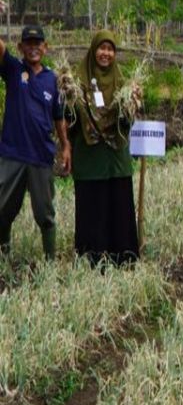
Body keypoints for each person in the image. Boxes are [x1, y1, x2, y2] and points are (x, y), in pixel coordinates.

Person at [68, 30, 140, 266]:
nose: (105, 54)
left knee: (119, 206)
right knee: (92, 207)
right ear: (93, 50)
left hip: (116, 160)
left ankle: (123, 257)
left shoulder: (123, 83)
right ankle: (92, 257)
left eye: (110, 49)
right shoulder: (78, 82)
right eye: (101, 48)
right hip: (89, 160)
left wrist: (132, 104)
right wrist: (67, 98)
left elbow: (127, 123)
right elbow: (68, 121)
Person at [0, 25, 69, 260]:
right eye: (28, 43)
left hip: (41, 155)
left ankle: (50, 260)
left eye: (38, 43)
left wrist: (66, 146)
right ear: (20, 47)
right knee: (2, 209)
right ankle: (4, 254)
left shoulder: (53, 80)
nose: (33, 48)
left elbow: (58, 117)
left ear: (45, 47)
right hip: (13, 154)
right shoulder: (13, 69)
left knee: (45, 214)